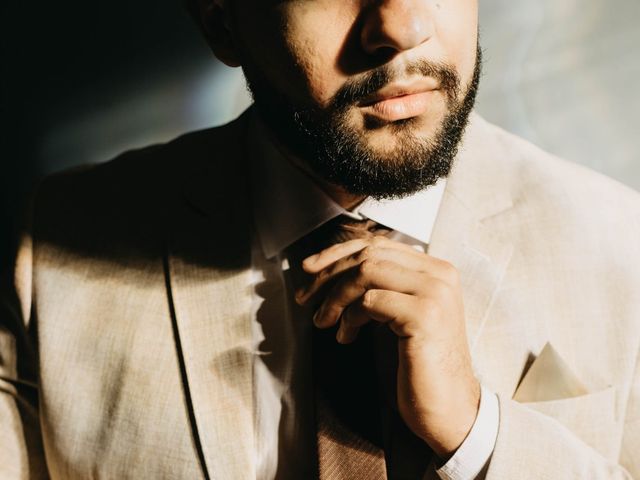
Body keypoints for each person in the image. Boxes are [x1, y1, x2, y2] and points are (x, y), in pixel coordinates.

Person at [1, 0, 639, 478]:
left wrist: (481, 436)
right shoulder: (52, 250)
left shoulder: (623, 246)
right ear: (221, 21)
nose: (401, 25)